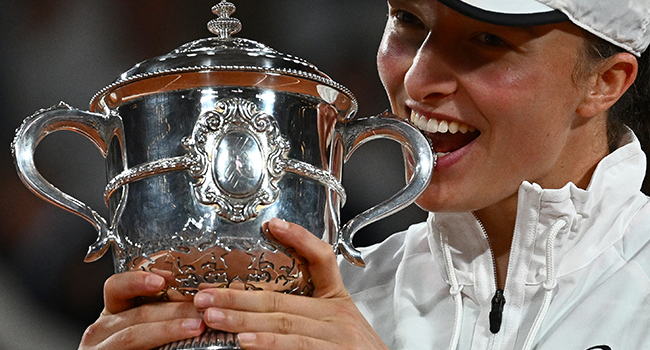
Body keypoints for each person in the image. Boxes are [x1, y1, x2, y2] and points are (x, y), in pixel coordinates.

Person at [78, 0, 650, 349]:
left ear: (606, 82)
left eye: (486, 40)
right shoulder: (318, 306)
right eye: (407, 20)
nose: (419, 78)